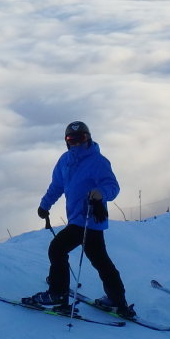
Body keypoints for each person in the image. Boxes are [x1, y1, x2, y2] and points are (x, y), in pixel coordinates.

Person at [23, 121, 134, 318]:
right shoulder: (65, 160)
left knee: (57, 249)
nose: (76, 143)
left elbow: (113, 186)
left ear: (88, 138)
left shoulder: (98, 161)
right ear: (66, 141)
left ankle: (58, 294)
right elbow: (57, 186)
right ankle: (117, 299)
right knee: (99, 259)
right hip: (77, 218)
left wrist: (100, 192)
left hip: (90, 218)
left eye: (81, 138)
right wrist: (45, 205)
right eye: (71, 139)